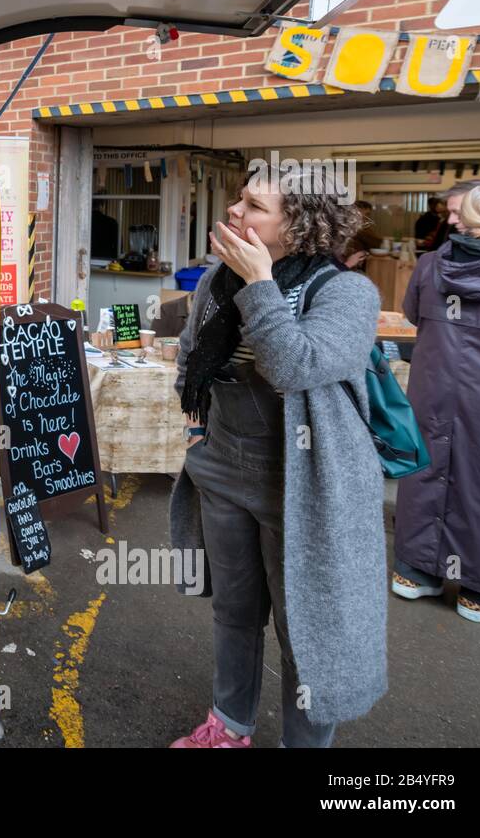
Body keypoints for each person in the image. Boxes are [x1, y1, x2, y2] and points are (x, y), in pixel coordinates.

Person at [169, 163, 384, 748]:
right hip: (223, 470)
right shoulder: (218, 278)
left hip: (304, 484)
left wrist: (260, 284)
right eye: (239, 199)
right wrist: (199, 437)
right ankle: (230, 726)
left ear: (301, 224)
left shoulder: (346, 292)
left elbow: (295, 367)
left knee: (305, 631)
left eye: (255, 206)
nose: (235, 210)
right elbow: (190, 358)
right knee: (234, 613)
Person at [392, 183, 480, 625]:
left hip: (432, 385)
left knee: (426, 469)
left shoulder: (430, 265)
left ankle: (416, 571)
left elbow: (413, 315)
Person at [340, 199, 384, 269]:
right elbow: (377, 242)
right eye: (366, 214)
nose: (367, 218)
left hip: (360, 264)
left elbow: (377, 243)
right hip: (349, 267)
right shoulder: (350, 228)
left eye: (369, 214)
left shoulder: (364, 228)